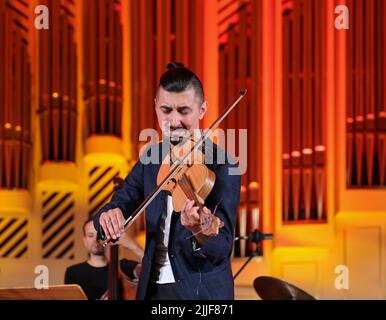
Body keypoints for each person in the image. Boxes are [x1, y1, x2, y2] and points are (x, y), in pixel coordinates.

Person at [93, 62, 241, 300]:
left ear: (202, 110)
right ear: (155, 107)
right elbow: (118, 203)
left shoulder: (223, 165)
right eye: (166, 110)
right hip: (152, 289)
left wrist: (199, 230)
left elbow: (223, 247)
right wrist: (107, 216)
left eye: (184, 111)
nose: (173, 122)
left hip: (199, 293)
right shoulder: (150, 159)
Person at [64, 218, 143, 300]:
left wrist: (131, 244)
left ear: (107, 237)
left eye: (100, 235)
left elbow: (150, 268)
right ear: (85, 241)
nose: (95, 240)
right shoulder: (73, 272)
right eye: (90, 235)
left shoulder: (122, 266)